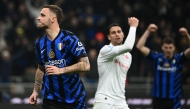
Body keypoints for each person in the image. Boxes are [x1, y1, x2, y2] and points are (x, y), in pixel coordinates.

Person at [29, 5, 90, 109]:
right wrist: (35, 91)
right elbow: (40, 69)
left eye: (42, 15)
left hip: (75, 98)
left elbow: (86, 65)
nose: (38, 18)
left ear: (53, 19)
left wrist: (60, 70)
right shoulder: (39, 43)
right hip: (51, 99)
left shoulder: (70, 39)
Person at [136, 24, 190, 109]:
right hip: (158, 99)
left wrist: (186, 34)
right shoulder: (156, 57)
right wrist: (148, 31)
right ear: (162, 47)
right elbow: (139, 46)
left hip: (174, 99)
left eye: (170, 47)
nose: (168, 50)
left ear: (174, 48)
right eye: (166, 47)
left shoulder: (179, 58)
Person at [93, 17, 139, 109]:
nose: (117, 34)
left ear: (123, 34)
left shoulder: (128, 56)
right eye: (113, 33)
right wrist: (133, 27)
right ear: (109, 37)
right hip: (104, 101)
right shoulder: (105, 50)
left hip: (121, 102)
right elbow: (129, 46)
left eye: (119, 32)